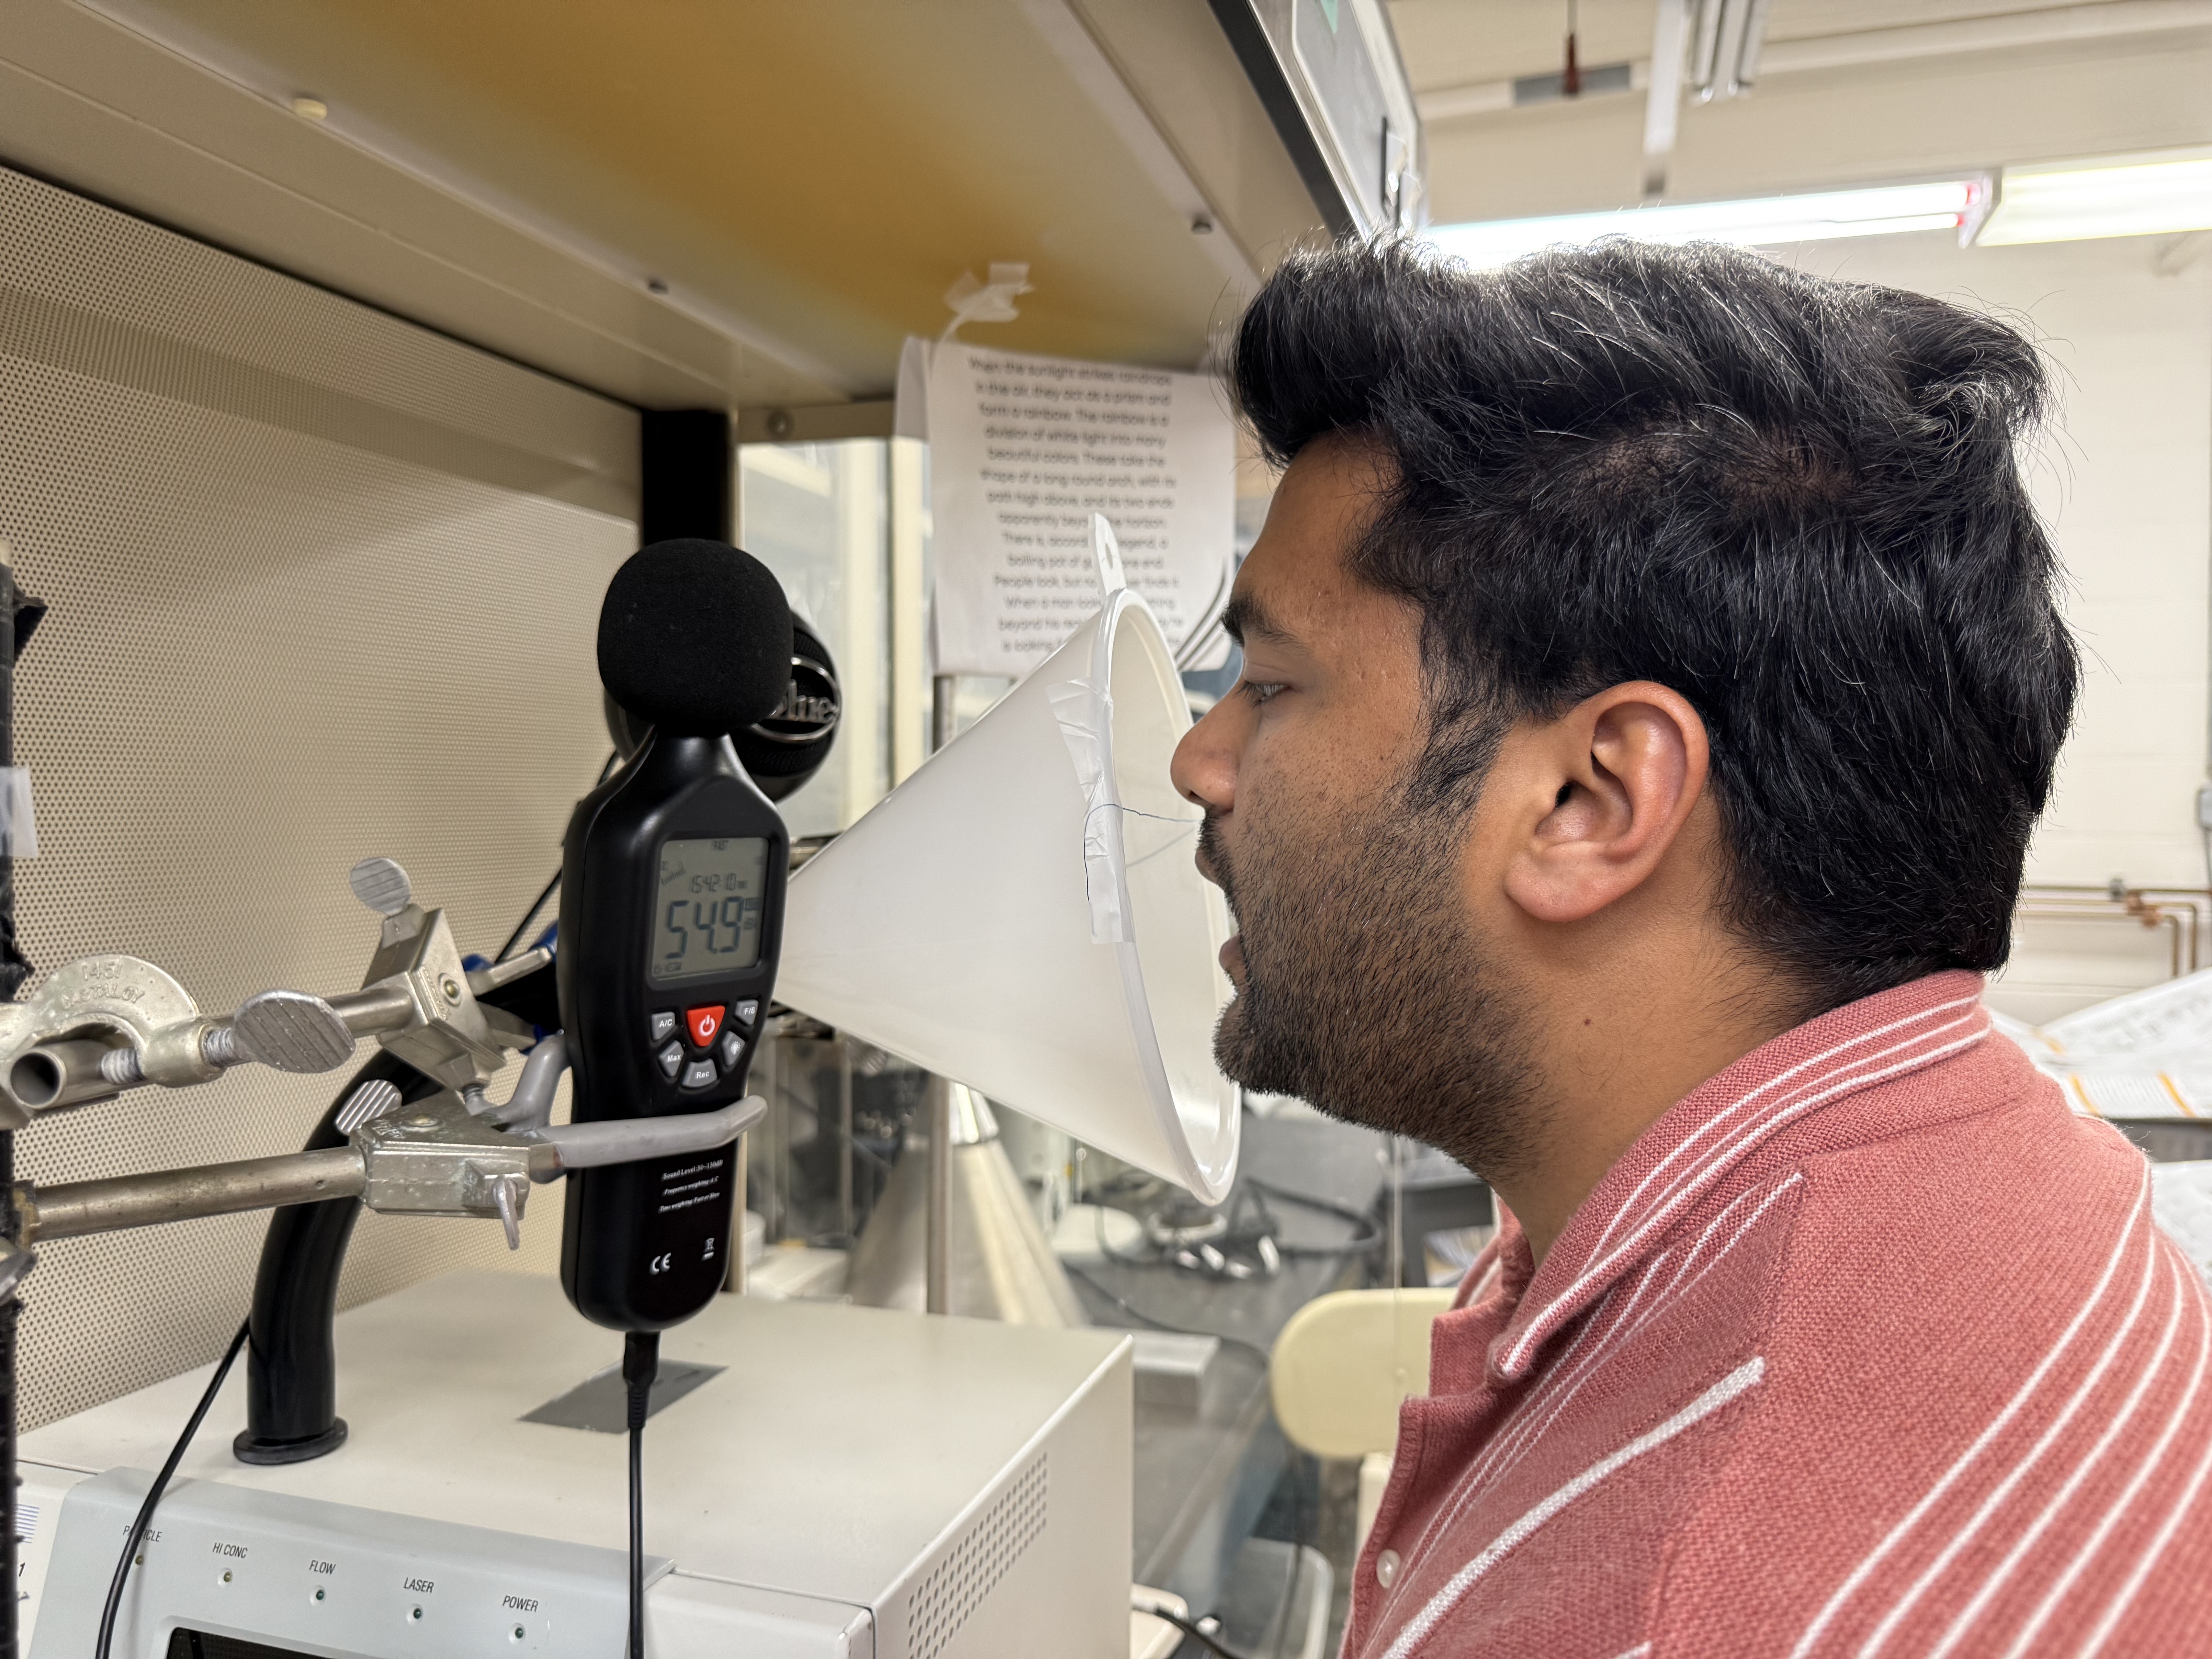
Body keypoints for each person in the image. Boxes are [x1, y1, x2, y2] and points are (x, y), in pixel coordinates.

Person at [1171, 238, 2212, 1657]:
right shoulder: (2000, 1151)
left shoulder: (1672, 1597)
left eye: (1273, 682)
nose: (1200, 758)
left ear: (1594, 798)